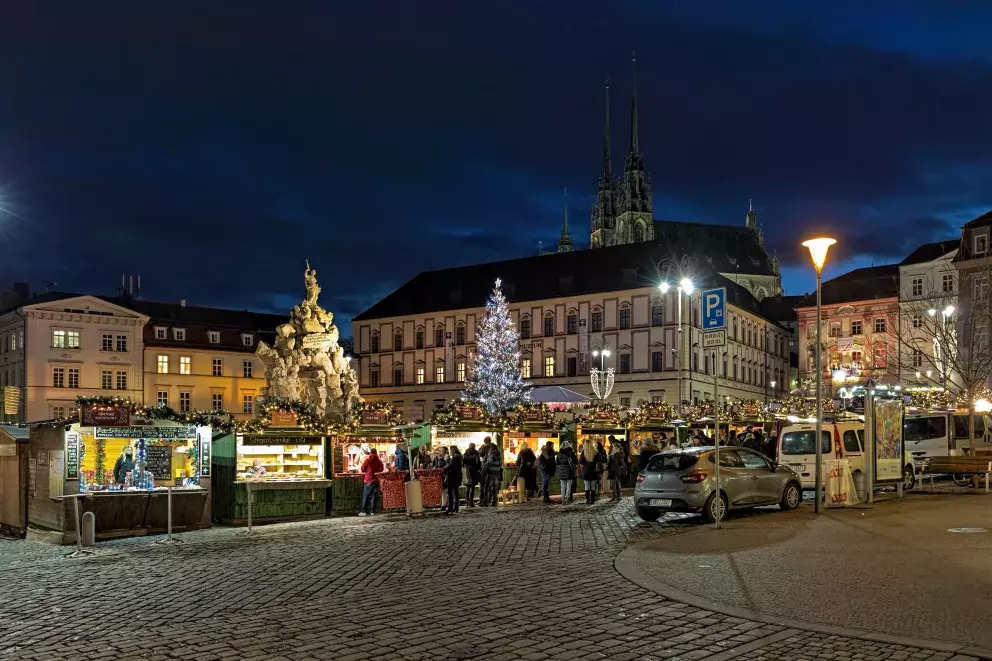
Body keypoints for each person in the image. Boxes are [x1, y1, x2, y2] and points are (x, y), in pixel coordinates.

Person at [359, 449, 384, 516]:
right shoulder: (379, 460)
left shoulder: (368, 460)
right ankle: (372, 511)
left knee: (366, 495)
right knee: (374, 495)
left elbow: (362, 469)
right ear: (376, 453)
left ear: (370, 453)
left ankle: (364, 511)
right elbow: (382, 469)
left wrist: (368, 471)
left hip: (369, 480)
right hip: (376, 480)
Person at [579, 440, 600, 505]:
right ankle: (592, 500)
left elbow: (581, 461)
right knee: (593, 486)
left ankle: (588, 500)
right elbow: (599, 460)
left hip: (586, 471)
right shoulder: (595, 451)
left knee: (587, 486)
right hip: (594, 471)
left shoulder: (583, 451)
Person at [443, 446, 463, 514]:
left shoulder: (454, 458)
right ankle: (456, 507)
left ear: (453, 450)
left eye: (450, 450)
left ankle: (450, 508)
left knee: (450, 493)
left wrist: (446, 460)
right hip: (458, 476)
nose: (450, 452)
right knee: (456, 492)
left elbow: (449, 466)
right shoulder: (460, 457)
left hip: (452, 476)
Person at [463, 442, 482, 507]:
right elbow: (478, 462)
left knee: (467, 486)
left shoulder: (466, 453)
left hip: (467, 471)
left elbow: (463, 462)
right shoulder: (476, 453)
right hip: (474, 471)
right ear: (474, 446)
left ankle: (467, 501)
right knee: (472, 487)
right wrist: (478, 468)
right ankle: (471, 502)